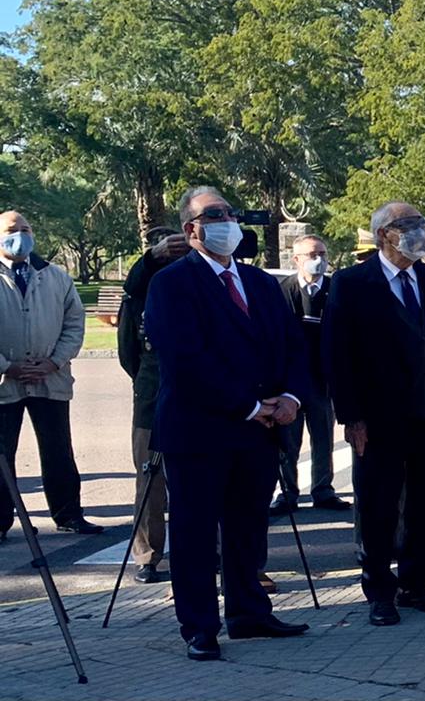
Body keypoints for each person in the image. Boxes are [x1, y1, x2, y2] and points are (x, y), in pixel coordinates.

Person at [142, 187, 310, 660]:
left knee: (247, 526)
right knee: (196, 533)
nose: (227, 221)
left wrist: (291, 398)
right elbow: (185, 360)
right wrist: (249, 405)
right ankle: (199, 626)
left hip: (259, 431)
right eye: (214, 215)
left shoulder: (260, 284)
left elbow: (292, 345)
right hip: (200, 429)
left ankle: (248, 612)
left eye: (230, 213)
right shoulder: (171, 283)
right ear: (191, 228)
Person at [323, 202, 425, 626]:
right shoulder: (352, 283)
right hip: (378, 419)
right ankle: (379, 592)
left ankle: (416, 585)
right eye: (406, 225)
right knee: (379, 507)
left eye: (420, 223)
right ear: (383, 234)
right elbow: (338, 354)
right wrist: (352, 416)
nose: (417, 231)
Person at [1, 209, 98, 544]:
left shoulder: (56, 276)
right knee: (1, 455)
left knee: (58, 450)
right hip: (5, 382)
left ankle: (69, 514)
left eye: (26, 228)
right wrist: (6, 366)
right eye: (13, 229)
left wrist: (55, 361)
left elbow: (74, 323)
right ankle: (1, 521)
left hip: (50, 379)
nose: (21, 235)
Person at [115, 227, 187, 581]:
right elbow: (128, 349)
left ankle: (213, 549)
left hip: (194, 394)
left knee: (200, 477)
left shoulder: (193, 282)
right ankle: (147, 555)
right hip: (151, 393)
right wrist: (150, 258)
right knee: (149, 479)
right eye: (164, 252)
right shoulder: (139, 289)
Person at [269, 235, 349, 515]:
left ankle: (323, 489)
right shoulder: (282, 290)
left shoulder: (335, 289)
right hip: (289, 381)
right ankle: (288, 492)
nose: (319, 260)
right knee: (288, 441)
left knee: (323, 437)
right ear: (297, 259)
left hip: (322, 380)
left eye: (323, 253)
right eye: (313, 254)